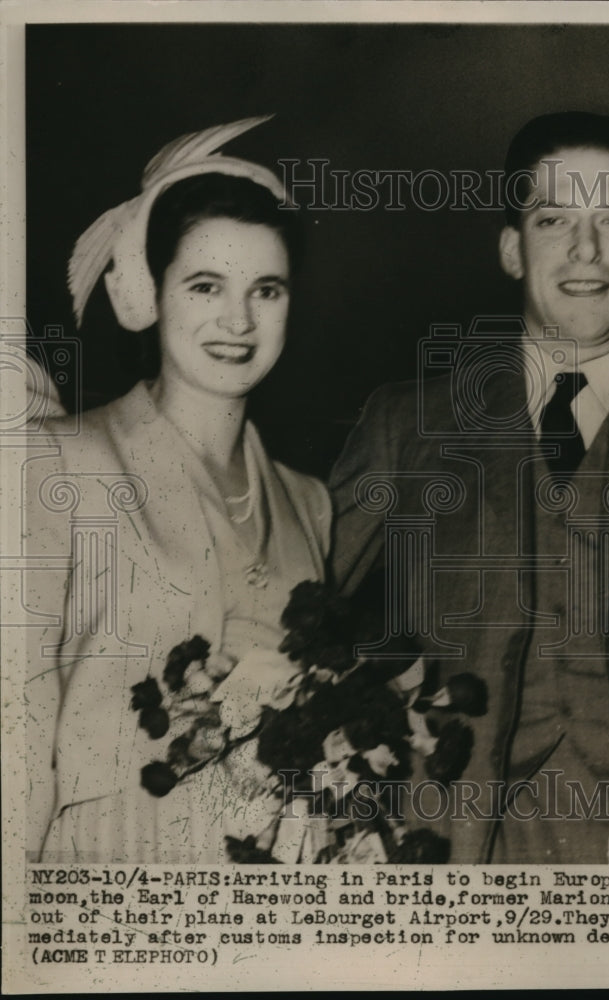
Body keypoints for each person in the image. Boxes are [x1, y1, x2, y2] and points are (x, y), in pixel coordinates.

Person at [329, 111, 609, 864]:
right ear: (513, 249)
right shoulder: (406, 424)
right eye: (553, 219)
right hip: (450, 861)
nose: (585, 250)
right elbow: (294, 616)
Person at [25, 118, 330, 863]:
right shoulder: (58, 460)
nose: (238, 320)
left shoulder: (309, 501)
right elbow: (16, 727)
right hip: (108, 872)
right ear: (147, 293)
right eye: (205, 285)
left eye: (266, 289)